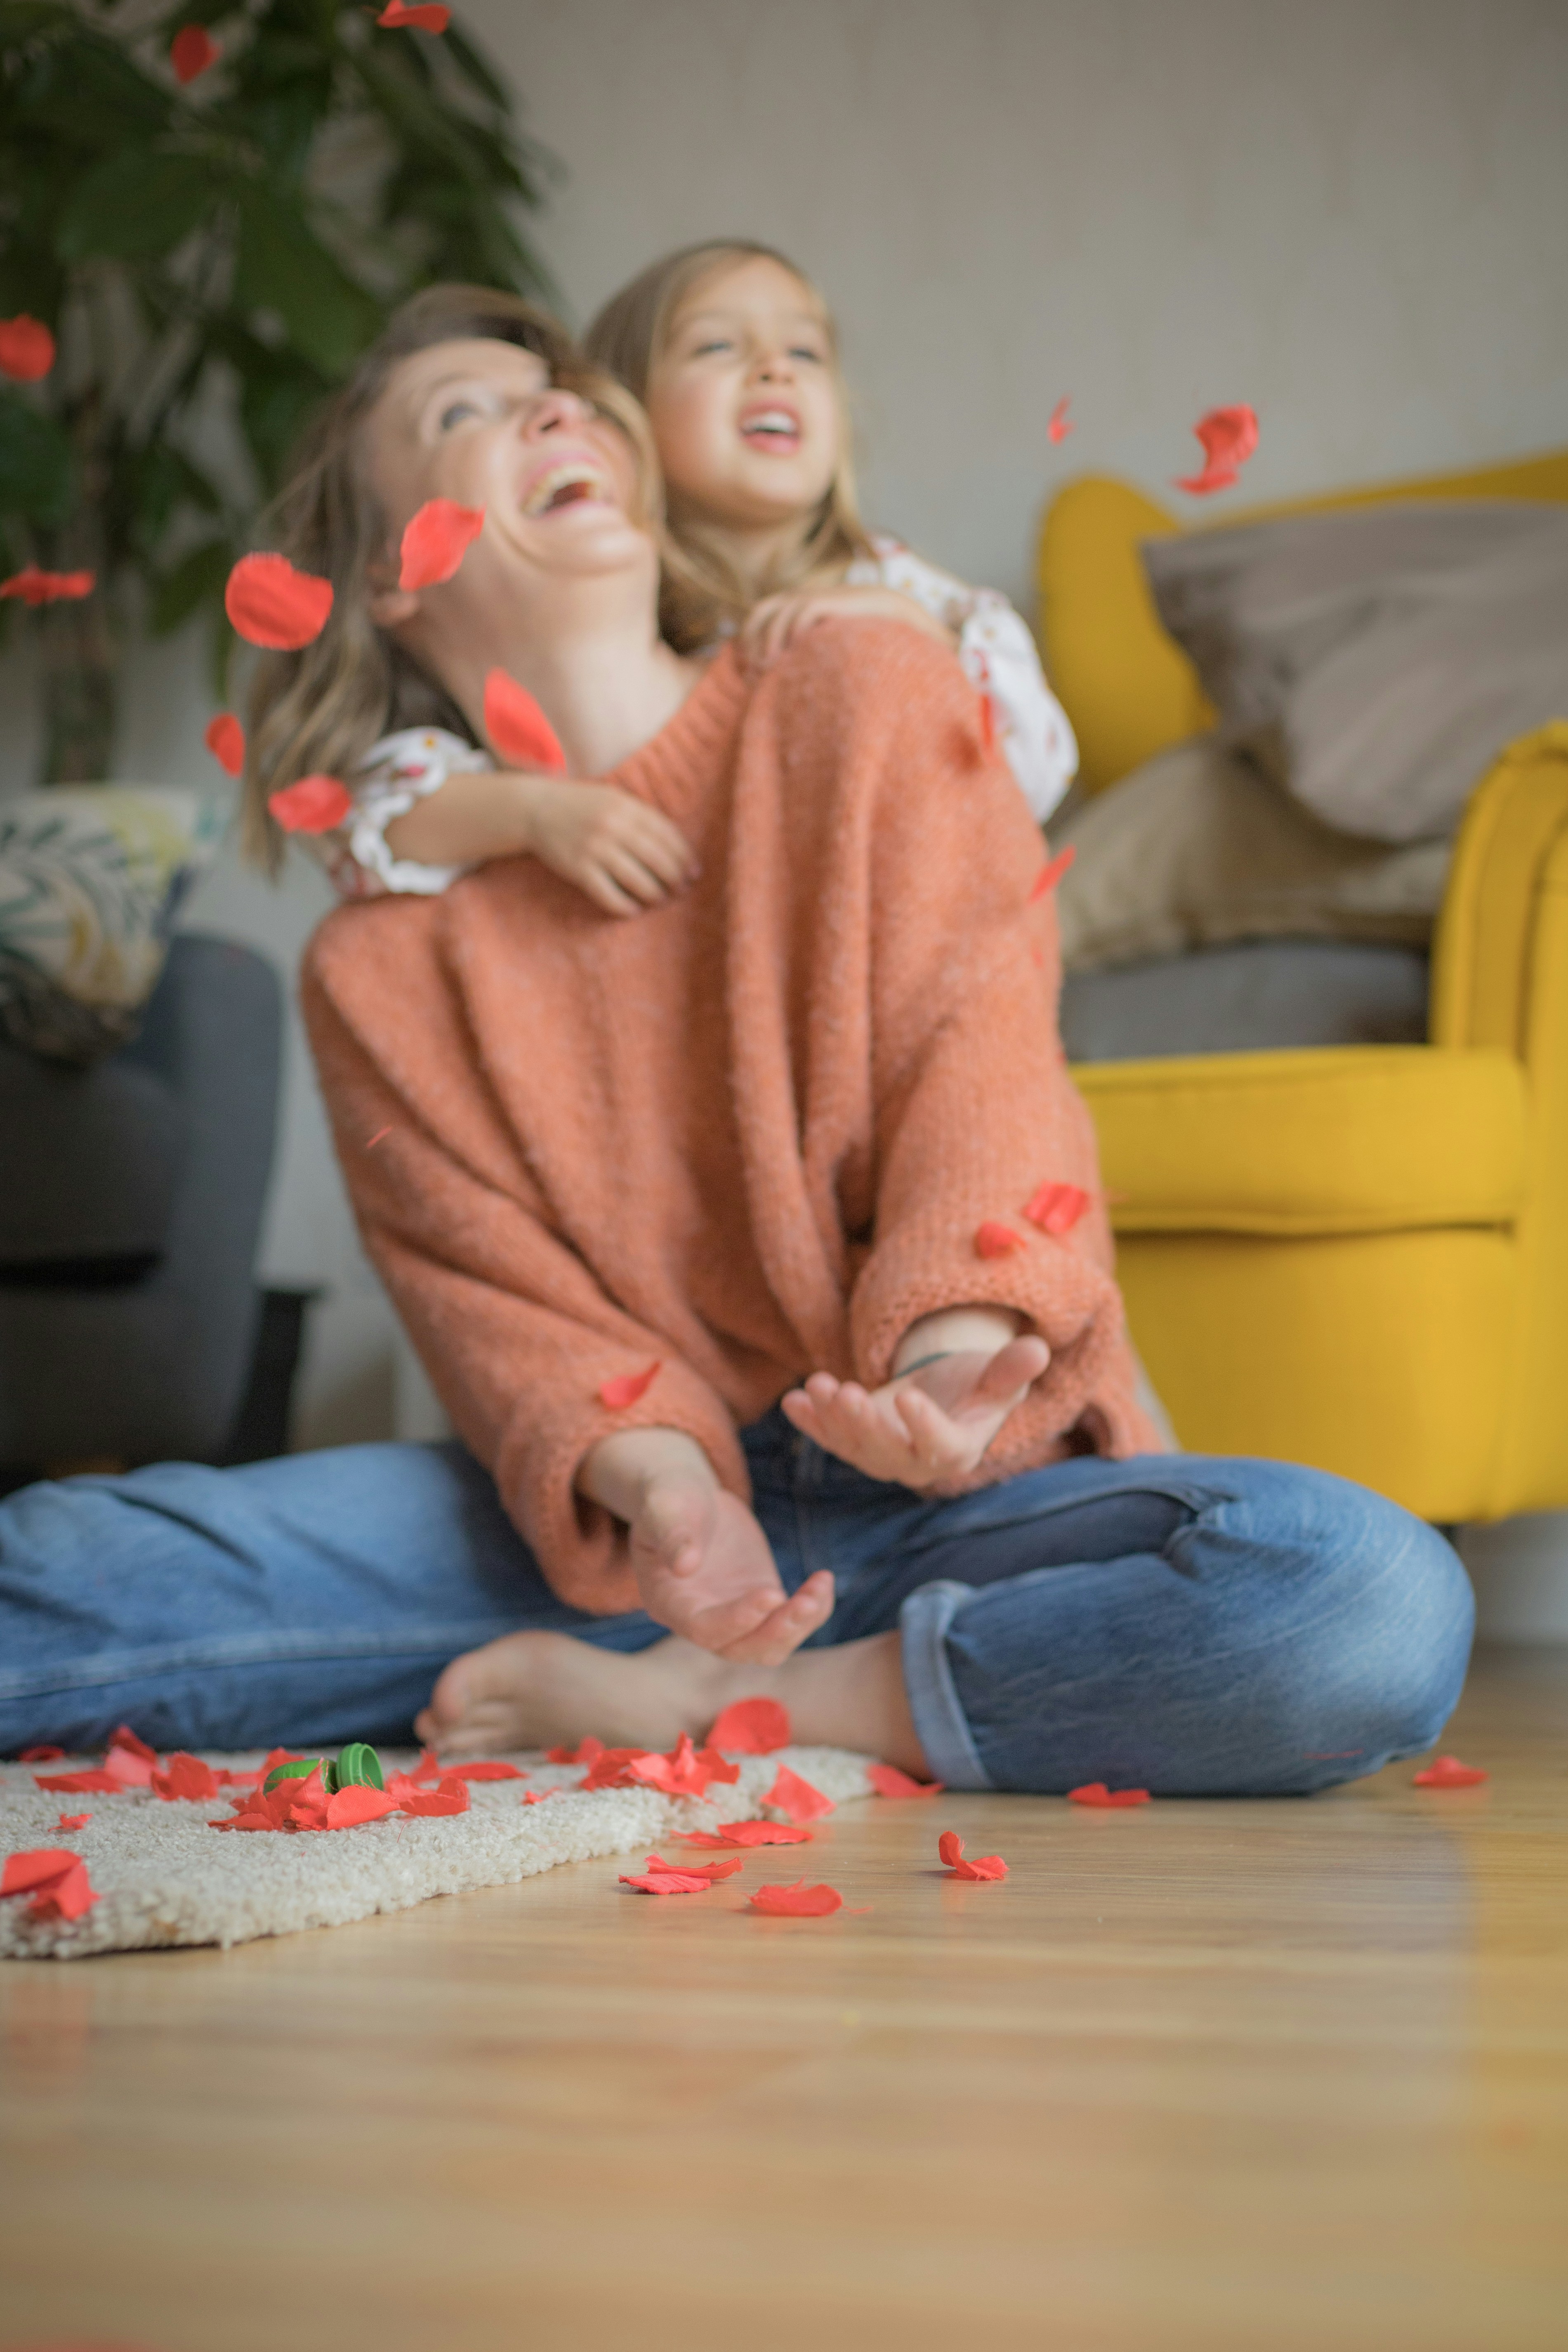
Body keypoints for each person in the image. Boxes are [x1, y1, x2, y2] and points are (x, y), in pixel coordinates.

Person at [0, 289, 1472, 1793]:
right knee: (54, 1566)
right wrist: (668, 1498)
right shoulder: (377, 960)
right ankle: (700, 1663)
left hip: (960, 1495)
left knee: (1363, 1593)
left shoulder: (866, 683)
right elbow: (503, 1313)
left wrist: (948, 1369)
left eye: (562, 392)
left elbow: (979, 1070)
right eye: (463, 415)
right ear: (389, 576)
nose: (551, 413)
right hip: (623, 1549)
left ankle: (737, 1712)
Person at [303, 241, 1077, 912]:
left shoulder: (887, 584)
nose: (775, 368)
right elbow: (360, 818)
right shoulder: (634, 618)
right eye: (715, 348)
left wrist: (916, 643)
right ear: (626, 418)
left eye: (806, 353)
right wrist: (538, 813)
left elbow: (1030, 782)